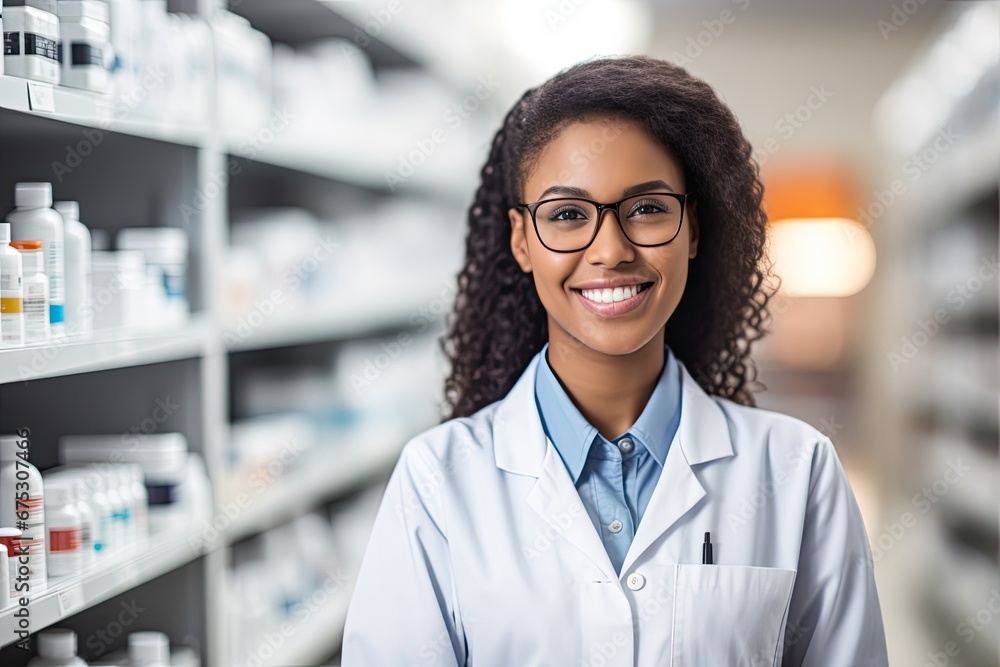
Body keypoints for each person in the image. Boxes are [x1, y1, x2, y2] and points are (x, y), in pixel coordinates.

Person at [341, 54, 888, 666]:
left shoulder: (797, 472)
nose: (610, 250)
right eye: (568, 215)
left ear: (694, 229)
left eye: (648, 208)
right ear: (522, 241)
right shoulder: (438, 483)